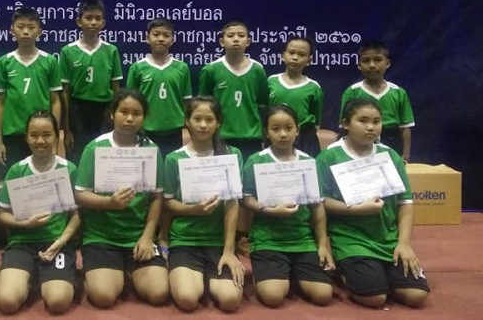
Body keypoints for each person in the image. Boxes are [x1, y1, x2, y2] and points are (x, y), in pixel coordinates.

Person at [318, 99, 429, 309]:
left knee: (417, 296)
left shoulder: (390, 156)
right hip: (350, 240)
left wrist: (404, 244)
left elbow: (405, 203)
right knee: (374, 298)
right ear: (346, 123)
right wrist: (355, 210)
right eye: (363, 121)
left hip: (388, 239)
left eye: (376, 121)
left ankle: (380, 275)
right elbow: (320, 202)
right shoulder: (329, 156)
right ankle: (344, 271)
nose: (371, 127)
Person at [74, 89, 168, 308]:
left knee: (159, 293)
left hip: (137, 235)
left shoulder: (151, 149)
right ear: (112, 114)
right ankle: (103, 274)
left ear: (144, 117)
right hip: (101, 236)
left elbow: (157, 197)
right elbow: (80, 194)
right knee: (104, 297)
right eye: (123, 112)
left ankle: (125, 271)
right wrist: (109, 203)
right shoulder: (95, 148)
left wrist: (147, 236)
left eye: (136, 113)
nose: (129, 118)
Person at [241, 105, 334, 308]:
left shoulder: (308, 162)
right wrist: (268, 209)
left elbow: (317, 207)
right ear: (266, 132)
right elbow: (246, 199)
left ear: (297, 130)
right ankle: (271, 275)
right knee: (273, 297)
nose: (283, 134)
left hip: (302, 239)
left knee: (323, 296)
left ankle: (293, 273)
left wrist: (322, 244)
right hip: (267, 239)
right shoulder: (256, 161)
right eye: (275, 129)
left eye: (288, 128)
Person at [163, 96, 244, 312]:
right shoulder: (173, 159)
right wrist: (193, 210)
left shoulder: (232, 155)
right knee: (187, 299)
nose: (203, 125)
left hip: (219, 243)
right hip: (185, 240)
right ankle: (194, 278)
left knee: (229, 301)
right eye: (197, 119)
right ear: (187, 121)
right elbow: (168, 204)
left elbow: (232, 204)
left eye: (209, 119)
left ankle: (212, 276)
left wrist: (229, 250)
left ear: (218, 123)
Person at [0, 111, 80, 315]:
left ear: (57, 136)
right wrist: (24, 224)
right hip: (22, 243)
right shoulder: (17, 170)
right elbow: (2, 214)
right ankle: (27, 277)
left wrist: (62, 241)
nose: (40, 141)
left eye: (47, 135)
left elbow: (76, 216)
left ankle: (51, 278)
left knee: (58, 302)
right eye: (34, 135)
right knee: (7, 302)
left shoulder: (69, 169)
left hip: (56, 242)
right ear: (26, 137)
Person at [0, 7, 62, 179]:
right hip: (13, 132)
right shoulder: (4, 62)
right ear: (12, 30)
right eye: (20, 27)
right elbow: (0, 102)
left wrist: (55, 137)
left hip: (41, 134)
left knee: (43, 180)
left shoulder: (49, 61)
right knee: (15, 180)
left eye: (31, 27)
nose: (26, 31)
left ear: (39, 31)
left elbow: (56, 101)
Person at [60, 0, 123, 164]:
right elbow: (65, 92)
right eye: (88, 18)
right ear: (79, 21)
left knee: (103, 158)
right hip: (78, 110)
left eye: (97, 18)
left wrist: (115, 118)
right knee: (78, 157)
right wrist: (67, 128)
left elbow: (116, 89)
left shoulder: (111, 51)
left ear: (103, 23)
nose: (93, 22)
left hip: (104, 110)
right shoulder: (68, 51)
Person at [199, 21, 268, 159]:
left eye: (241, 35)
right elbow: (203, 105)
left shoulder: (258, 70)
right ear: (221, 41)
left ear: (248, 41)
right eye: (230, 36)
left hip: (252, 137)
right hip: (221, 137)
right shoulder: (211, 69)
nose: (236, 39)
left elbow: (263, 105)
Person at [125, 18, 192, 156]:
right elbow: (130, 102)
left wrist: (187, 128)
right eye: (156, 34)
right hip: (145, 129)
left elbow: (186, 101)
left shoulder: (182, 68)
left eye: (166, 35)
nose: (161, 39)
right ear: (147, 38)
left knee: (171, 166)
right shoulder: (137, 68)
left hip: (174, 130)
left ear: (172, 40)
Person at [339, 41, 414, 161]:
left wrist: (405, 156)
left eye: (378, 60)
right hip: (360, 143)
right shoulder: (352, 92)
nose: (372, 65)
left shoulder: (398, 92)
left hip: (392, 142)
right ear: (359, 65)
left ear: (387, 63)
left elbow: (405, 127)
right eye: (366, 60)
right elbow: (345, 128)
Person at [267, 37, 324, 157]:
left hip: (305, 139)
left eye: (301, 54)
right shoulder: (271, 81)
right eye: (291, 52)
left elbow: (316, 121)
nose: (295, 57)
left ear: (309, 60)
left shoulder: (314, 87)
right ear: (283, 56)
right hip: (276, 136)